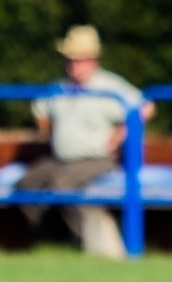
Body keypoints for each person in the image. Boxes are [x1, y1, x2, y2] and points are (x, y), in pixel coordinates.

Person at [16, 25, 153, 240]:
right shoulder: (58, 87)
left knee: (62, 184)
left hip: (97, 158)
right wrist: (50, 136)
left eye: (79, 59)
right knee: (25, 184)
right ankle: (49, 238)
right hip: (60, 159)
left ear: (93, 60)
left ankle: (85, 240)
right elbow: (40, 111)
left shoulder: (110, 85)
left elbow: (145, 107)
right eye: (70, 59)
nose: (73, 64)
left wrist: (120, 134)